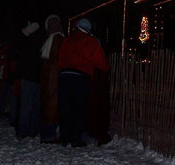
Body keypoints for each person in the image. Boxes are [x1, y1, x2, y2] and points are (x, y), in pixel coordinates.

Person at [58, 18, 109, 147]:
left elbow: (60, 58)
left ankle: (65, 136)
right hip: (81, 76)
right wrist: (105, 68)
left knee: (66, 107)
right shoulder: (90, 41)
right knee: (78, 107)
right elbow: (100, 61)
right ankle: (75, 138)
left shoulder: (67, 40)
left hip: (64, 75)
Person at [39, 14, 64, 143]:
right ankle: (49, 134)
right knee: (52, 108)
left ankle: (47, 133)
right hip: (54, 78)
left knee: (48, 107)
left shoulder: (48, 40)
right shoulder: (58, 39)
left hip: (48, 78)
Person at [16, 22, 43, 139]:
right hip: (37, 78)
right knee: (35, 106)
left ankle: (23, 131)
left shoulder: (25, 42)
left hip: (28, 77)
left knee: (26, 106)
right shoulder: (41, 42)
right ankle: (32, 130)